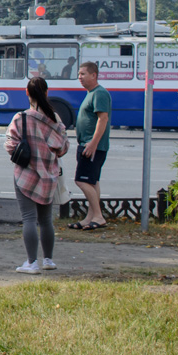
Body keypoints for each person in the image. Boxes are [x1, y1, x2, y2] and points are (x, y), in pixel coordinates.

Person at [5, 76, 69, 274]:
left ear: (27, 93)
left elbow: (9, 144)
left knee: (29, 219)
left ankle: (32, 263)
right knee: (46, 220)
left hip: (26, 175)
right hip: (49, 175)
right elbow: (64, 147)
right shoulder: (55, 119)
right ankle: (48, 260)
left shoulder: (21, 118)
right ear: (47, 92)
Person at [69, 61, 112, 230]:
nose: (80, 77)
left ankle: (99, 216)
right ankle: (90, 217)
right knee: (92, 182)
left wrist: (93, 143)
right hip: (87, 144)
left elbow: (103, 119)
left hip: (92, 146)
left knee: (81, 180)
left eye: (83, 74)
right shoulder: (91, 93)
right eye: (79, 74)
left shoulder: (100, 93)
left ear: (94, 75)